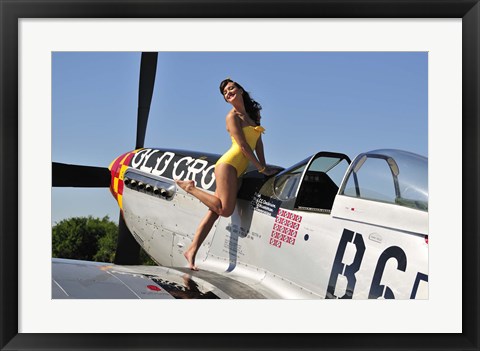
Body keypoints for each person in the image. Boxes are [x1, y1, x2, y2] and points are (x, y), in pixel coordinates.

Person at [175, 79, 276, 270]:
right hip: (228, 165)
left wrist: (263, 165)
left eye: (231, 88)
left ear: (240, 90)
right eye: (224, 92)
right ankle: (190, 187)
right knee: (225, 210)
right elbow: (244, 146)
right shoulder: (232, 117)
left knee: (215, 211)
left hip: (239, 169)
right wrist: (261, 168)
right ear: (226, 99)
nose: (228, 92)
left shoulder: (253, 114)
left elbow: (258, 143)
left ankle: (191, 250)